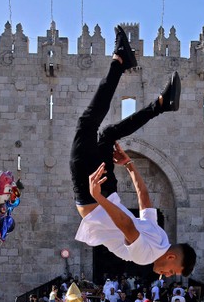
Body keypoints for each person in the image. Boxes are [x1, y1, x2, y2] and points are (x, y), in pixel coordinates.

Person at [70, 26, 196, 279]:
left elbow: (144, 198)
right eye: (172, 272)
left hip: (109, 193)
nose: (166, 274)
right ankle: (120, 61)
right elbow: (126, 225)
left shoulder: (161, 237)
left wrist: (130, 166)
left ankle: (160, 104)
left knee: (106, 134)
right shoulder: (146, 255)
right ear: (172, 257)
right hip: (95, 199)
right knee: (87, 124)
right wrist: (99, 196)